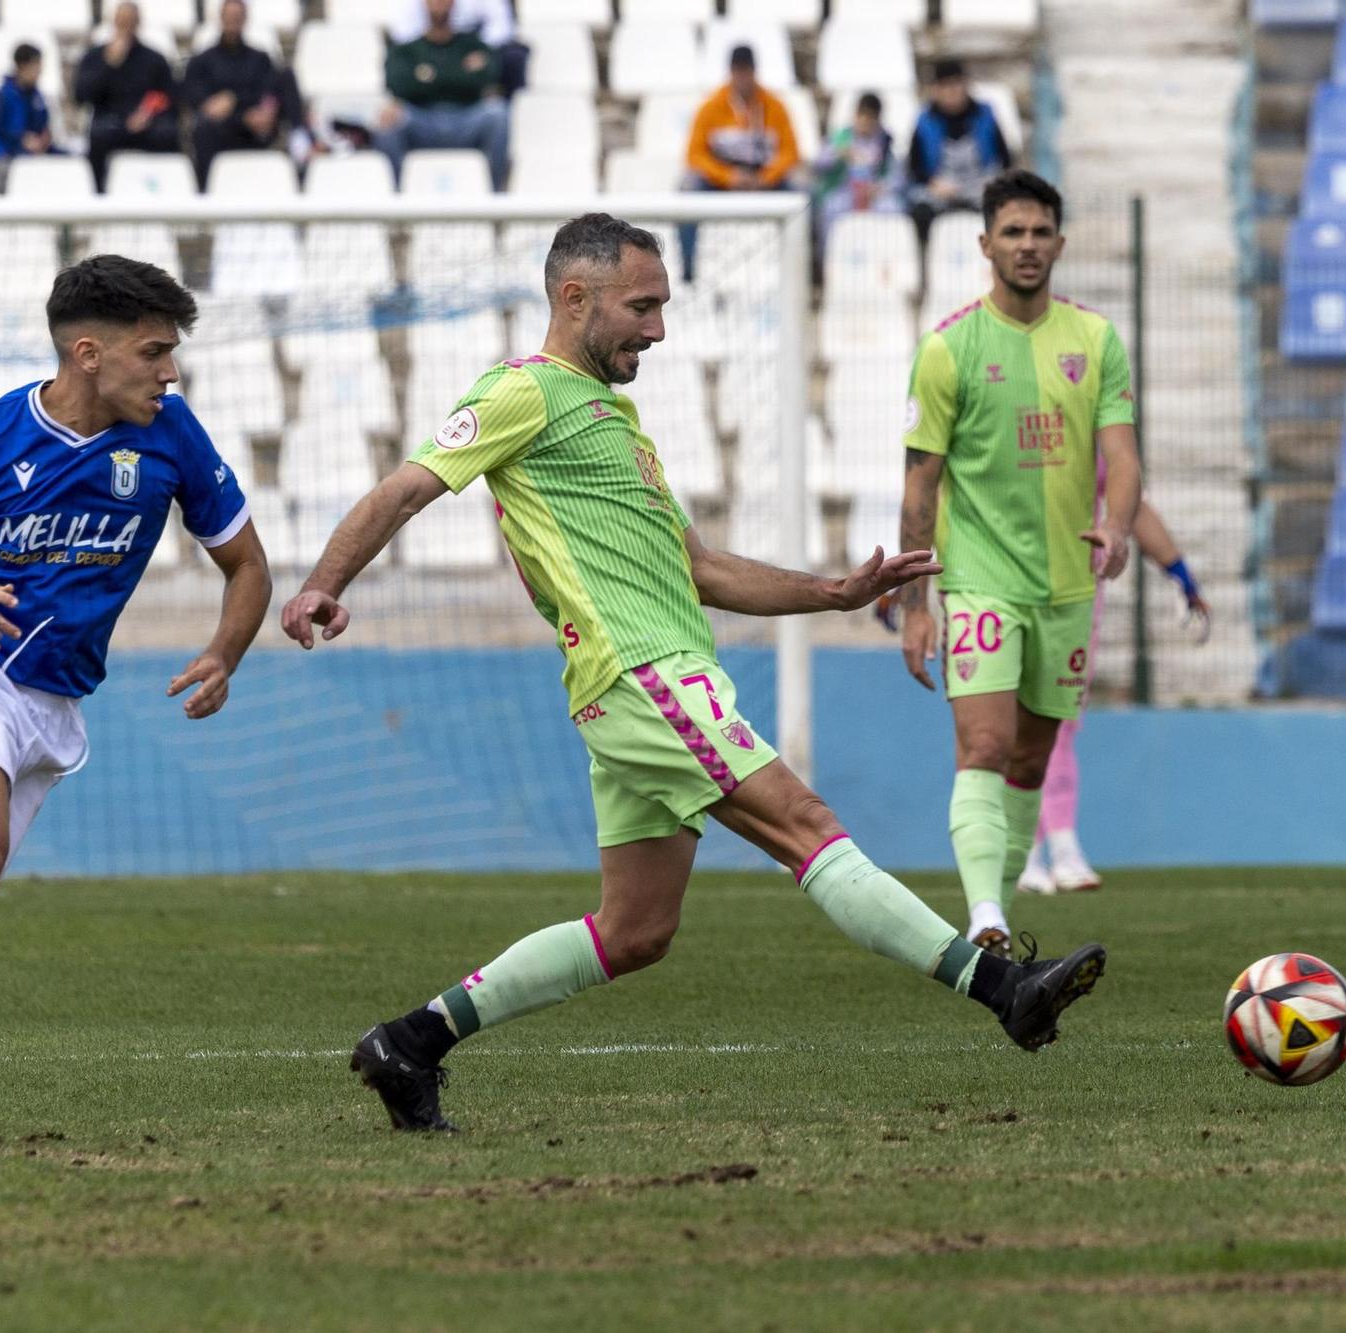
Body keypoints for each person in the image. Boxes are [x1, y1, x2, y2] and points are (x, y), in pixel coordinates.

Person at [279, 214, 1105, 1133]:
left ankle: (411, 1042)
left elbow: (700, 566)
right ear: (573, 297)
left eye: (663, 307)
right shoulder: (523, 393)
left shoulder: (614, 418)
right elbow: (407, 486)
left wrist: (833, 592)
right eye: (643, 306)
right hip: (643, 675)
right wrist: (322, 583)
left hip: (645, 683)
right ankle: (1003, 988)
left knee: (634, 932)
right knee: (808, 825)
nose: (659, 330)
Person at [0, 255, 270, 1147]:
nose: (170, 372)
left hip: (54, 710)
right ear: (89, 353)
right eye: (155, 352)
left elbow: (246, 563)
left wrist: (224, 651)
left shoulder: (171, 437)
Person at [896, 170, 1143, 958]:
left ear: (1060, 244)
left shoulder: (1097, 340)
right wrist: (915, 603)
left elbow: (1125, 457)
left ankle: (997, 907)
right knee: (987, 746)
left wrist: (1119, 525)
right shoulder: (947, 348)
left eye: (1040, 233)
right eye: (1013, 232)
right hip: (979, 582)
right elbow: (920, 482)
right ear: (985, 244)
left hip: (1068, 587)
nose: (1027, 246)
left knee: (1032, 758)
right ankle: (986, 917)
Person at [1017, 505, 1209, 895]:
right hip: (1006, 584)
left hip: (1078, 592)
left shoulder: (1099, 443)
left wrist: (1181, 575)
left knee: (1058, 720)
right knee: (1010, 722)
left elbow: (1131, 504)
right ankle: (1026, 851)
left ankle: (1058, 849)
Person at [679, 45, 800, 280]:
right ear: (731, 72)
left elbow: (790, 153)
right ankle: (688, 272)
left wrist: (765, 178)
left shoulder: (775, 107)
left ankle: (801, 270)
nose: (743, 78)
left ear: (755, 72)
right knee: (689, 188)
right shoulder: (711, 107)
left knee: (801, 192)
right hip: (722, 182)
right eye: (738, 71)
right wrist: (728, 177)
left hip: (764, 180)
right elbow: (694, 155)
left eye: (747, 71)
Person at [375, 0, 510, 192]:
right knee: (389, 120)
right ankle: (396, 201)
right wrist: (460, 72)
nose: (440, 4)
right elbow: (398, 84)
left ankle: (496, 197)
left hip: (466, 118)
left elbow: (488, 75)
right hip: (422, 119)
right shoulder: (407, 50)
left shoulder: (473, 44)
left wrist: (428, 76)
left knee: (497, 114)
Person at [182, 0, 301, 189]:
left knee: (287, 76)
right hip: (223, 129)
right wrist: (234, 110)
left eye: (237, 17)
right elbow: (200, 99)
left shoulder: (260, 59)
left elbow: (268, 93)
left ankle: (300, 142)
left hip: (256, 128)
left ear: (245, 19)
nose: (233, 22)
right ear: (220, 18)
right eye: (229, 17)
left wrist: (237, 101)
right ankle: (204, 193)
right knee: (204, 127)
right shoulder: (202, 61)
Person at [75, 2, 181, 191]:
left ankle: (167, 190)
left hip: (148, 123)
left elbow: (168, 97)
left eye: (130, 22)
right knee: (98, 136)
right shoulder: (95, 57)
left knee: (169, 134)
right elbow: (82, 96)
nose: (125, 27)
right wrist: (109, 65)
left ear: (138, 23)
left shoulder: (154, 59)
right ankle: (98, 196)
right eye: (121, 22)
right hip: (110, 122)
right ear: (113, 23)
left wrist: (147, 114)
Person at [907, 58, 1012, 246]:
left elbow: (1005, 160)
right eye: (945, 86)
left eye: (956, 84)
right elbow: (914, 167)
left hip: (979, 185)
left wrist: (991, 183)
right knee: (920, 211)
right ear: (936, 90)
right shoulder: (924, 121)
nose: (952, 91)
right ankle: (928, 264)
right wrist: (935, 184)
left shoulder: (986, 115)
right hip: (940, 189)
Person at [813, 91, 903, 257]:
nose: (865, 122)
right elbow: (818, 165)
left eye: (870, 118)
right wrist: (838, 154)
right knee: (831, 208)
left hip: (874, 195)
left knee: (892, 208)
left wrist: (881, 188)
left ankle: (884, 259)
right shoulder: (841, 137)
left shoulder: (884, 142)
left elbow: (897, 177)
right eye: (862, 116)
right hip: (843, 191)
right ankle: (829, 259)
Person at [388, 0, 528, 96]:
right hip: (428, 51)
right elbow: (402, 32)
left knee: (513, 56)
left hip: (471, 50)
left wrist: (479, 50)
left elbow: (501, 26)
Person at [0, 43, 56, 172]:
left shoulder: (37, 97)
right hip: (5, 156)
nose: (40, 71)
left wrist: (43, 139)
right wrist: (21, 140)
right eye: (36, 65)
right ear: (23, 66)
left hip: (30, 155)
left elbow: (42, 127)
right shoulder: (3, 96)